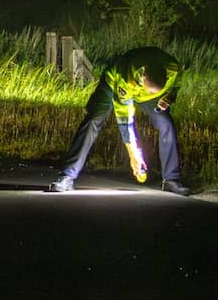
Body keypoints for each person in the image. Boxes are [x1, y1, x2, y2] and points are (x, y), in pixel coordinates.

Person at [49, 46, 190, 196]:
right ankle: (67, 176)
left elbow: (176, 82)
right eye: (149, 88)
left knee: (166, 123)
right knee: (93, 119)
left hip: (149, 96)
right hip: (113, 82)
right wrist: (134, 154)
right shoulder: (126, 77)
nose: (149, 92)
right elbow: (124, 119)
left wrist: (169, 97)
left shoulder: (173, 68)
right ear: (143, 75)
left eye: (155, 90)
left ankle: (171, 180)